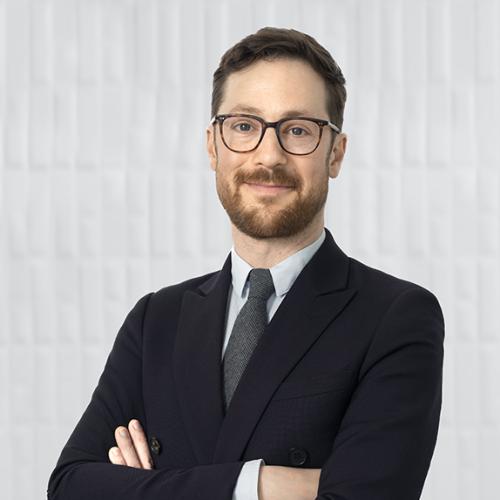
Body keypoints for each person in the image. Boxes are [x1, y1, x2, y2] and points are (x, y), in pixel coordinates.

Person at [47, 27, 444, 500]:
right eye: (243, 126)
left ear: (335, 155)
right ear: (213, 146)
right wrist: (259, 482)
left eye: (298, 130)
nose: (268, 155)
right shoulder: (157, 320)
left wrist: (142, 486)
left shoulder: (395, 317)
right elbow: (71, 485)